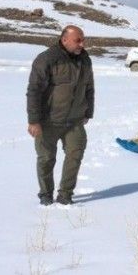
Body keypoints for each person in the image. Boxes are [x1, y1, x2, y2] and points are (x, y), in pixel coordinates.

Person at [27, 25, 94, 205]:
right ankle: (46, 195)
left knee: (75, 155)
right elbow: (34, 91)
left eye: (83, 39)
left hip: (75, 121)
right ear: (64, 40)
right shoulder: (47, 59)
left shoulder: (85, 59)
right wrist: (34, 121)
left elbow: (89, 87)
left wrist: (88, 111)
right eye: (78, 40)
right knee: (46, 159)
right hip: (49, 121)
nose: (82, 44)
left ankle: (65, 195)